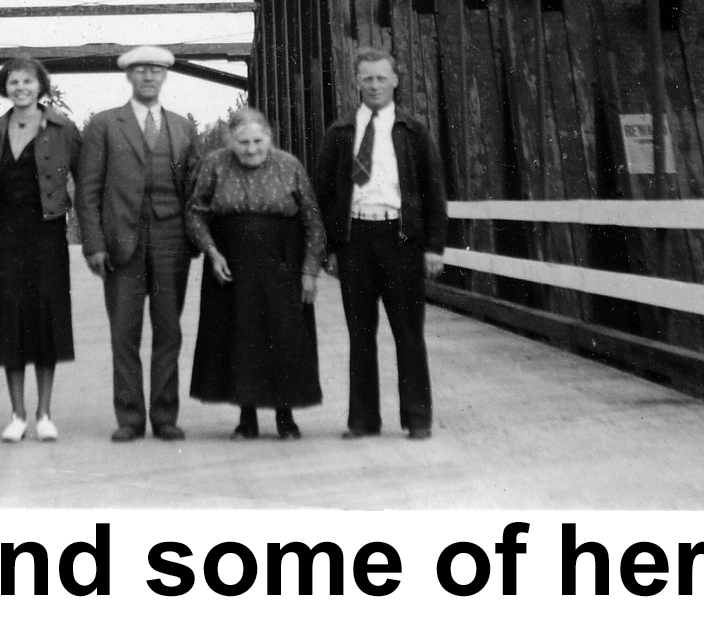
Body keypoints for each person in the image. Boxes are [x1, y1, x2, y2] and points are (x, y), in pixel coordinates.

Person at [312, 47, 449, 440]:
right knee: (360, 333)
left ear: (396, 81)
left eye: (381, 78)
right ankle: (363, 420)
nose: (374, 85)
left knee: (409, 331)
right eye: (366, 78)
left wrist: (434, 247)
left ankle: (417, 418)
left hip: (401, 239)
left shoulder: (413, 130)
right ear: (356, 83)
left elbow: (434, 191)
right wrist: (330, 248)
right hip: (356, 240)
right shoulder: (339, 133)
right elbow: (323, 193)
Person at [75, 44, 199, 442]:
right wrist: (93, 243)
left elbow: (196, 189)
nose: (148, 77)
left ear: (165, 77)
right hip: (121, 242)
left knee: (169, 331)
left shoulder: (182, 126)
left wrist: (196, 237)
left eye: (156, 71)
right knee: (123, 333)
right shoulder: (105, 124)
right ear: (128, 76)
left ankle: (165, 416)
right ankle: (130, 417)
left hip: (171, 239)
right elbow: (88, 191)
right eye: (141, 70)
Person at [186, 107, 326, 439]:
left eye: (258, 141)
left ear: (270, 138)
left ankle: (286, 418)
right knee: (239, 338)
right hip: (231, 265)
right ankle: (246, 419)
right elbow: (195, 212)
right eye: (243, 142)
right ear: (230, 141)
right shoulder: (215, 164)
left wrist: (309, 271)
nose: (251, 149)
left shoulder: (289, 166)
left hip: (282, 265)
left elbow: (313, 221)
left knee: (284, 337)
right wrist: (212, 251)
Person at [0, 55, 79, 443]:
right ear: (4, 87)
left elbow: (84, 179)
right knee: (11, 319)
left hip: (46, 232)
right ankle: (17, 413)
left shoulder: (63, 128)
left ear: (41, 86)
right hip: (3, 234)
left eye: (28, 82)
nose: (21, 88)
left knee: (45, 318)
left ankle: (45, 413)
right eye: (13, 82)